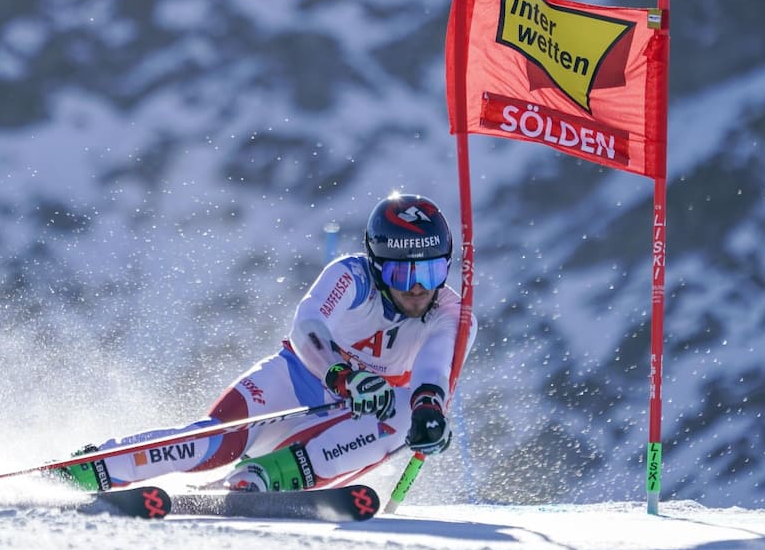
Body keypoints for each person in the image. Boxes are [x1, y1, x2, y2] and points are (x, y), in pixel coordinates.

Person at [57, 193, 477, 493]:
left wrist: (429, 412)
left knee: (407, 409)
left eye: (431, 271)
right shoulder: (351, 276)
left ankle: (264, 477)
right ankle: (93, 466)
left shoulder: (451, 314)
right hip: (295, 380)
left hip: (354, 421)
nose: (418, 289)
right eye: (402, 275)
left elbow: (434, 370)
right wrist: (343, 375)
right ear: (376, 264)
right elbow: (308, 324)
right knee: (210, 445)